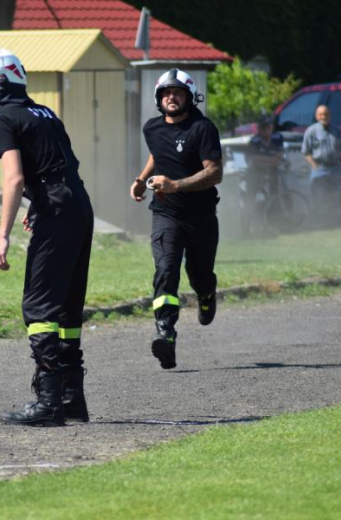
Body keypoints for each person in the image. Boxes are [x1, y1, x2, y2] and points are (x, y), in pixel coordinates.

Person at [0, 46, 94, 427]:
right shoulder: (46, 113)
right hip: (79, 208)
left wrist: (2, 235)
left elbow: (15, 177)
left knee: (38, 309)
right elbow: (61, 165)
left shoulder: (4, 118)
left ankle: (49, 403)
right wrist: (38, 204)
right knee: (68, 309)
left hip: (56, 213)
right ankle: (73, 400)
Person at [129, 69, 223, 370]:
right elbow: (158, 153)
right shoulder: (152, 128)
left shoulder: (203, 128)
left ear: (189, 97)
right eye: (166, 93)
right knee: (166, 270)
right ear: (159, 98)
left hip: (201, 216)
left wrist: (176, 185)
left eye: (178, 92)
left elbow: (215, 172)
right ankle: (165, 334)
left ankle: (207, 294)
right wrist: (141, 179)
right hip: (165, 213)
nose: (172, 97)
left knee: (200, 274)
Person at [302, 105, 341, 227]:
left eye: (326, 114)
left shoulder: (337, 131)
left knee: (334, 197)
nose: (324, 117)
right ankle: (319, 223)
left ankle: (333, 223)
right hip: (319, 168)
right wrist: (315, 166)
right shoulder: (310, 131)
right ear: (317, 116)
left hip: (335, 168)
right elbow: (306, 152)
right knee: (319, 198)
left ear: (330, 116)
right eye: (321, 114)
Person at [240, 115, 284, 235]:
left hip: (273, 173)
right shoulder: (254, 141)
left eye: (269, 127)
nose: (267, 129)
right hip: (255, 173)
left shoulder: (278, 138)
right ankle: (246, 227)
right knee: (250, 199)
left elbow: (279, 157)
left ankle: (273, 225)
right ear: (259, 129)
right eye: (264, 127)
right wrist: (271, 159)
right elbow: (254, 159)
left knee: (275, 198)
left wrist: (264, 159)